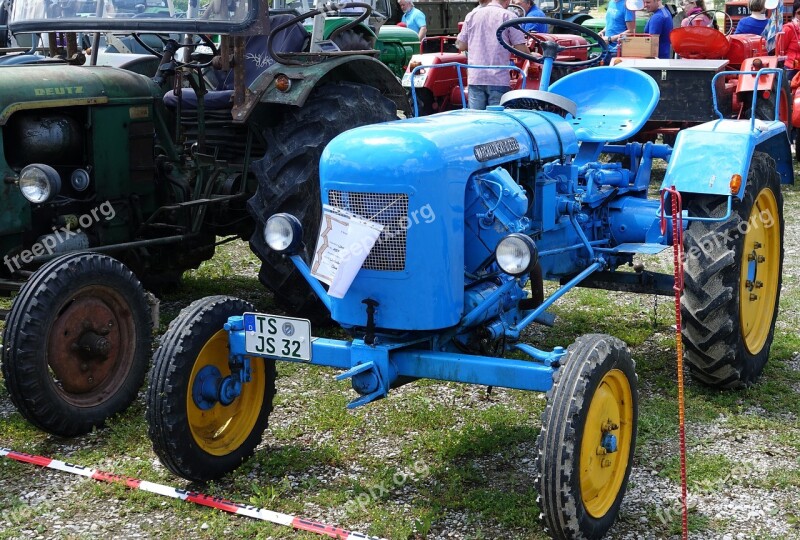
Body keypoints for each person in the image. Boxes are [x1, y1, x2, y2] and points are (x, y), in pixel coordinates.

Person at [456, 0, 529, 109]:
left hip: (476, 77)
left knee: (475, 120)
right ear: (507, 1)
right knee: (496, 121)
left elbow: (460, 45)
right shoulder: (508, 16)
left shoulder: (471, 15)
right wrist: (532, 54)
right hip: (498, 78)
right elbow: (521, 49)